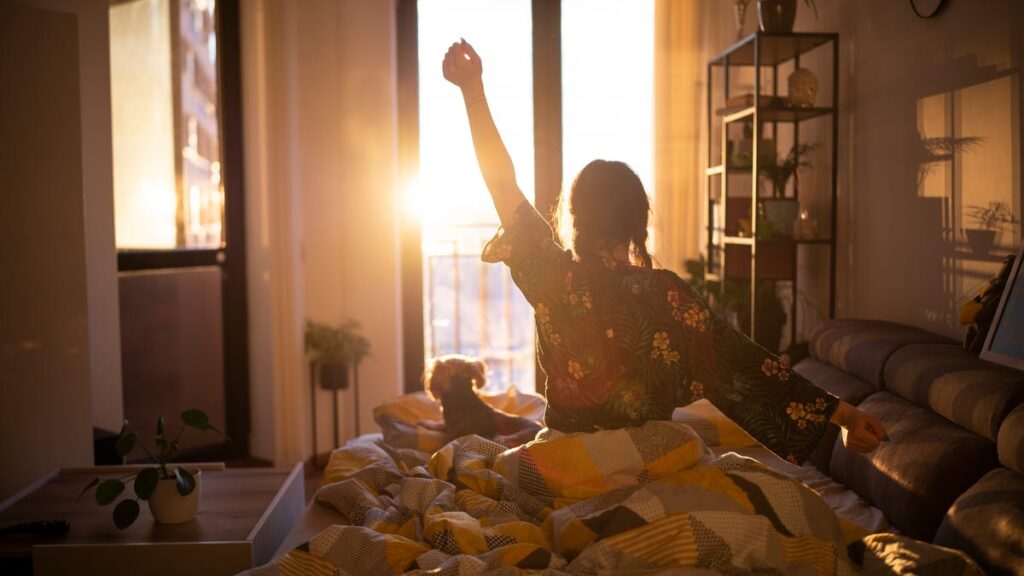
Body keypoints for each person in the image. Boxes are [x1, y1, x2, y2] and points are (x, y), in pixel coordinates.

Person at [442, 39, 886, 463]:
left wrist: (472, 90)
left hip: (563, 459)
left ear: (576, 216)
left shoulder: (555, 277)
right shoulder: (669, 296)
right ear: (639, 221)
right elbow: (750, 366)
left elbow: (501, 182)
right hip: (645, 459)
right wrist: (845, 416)